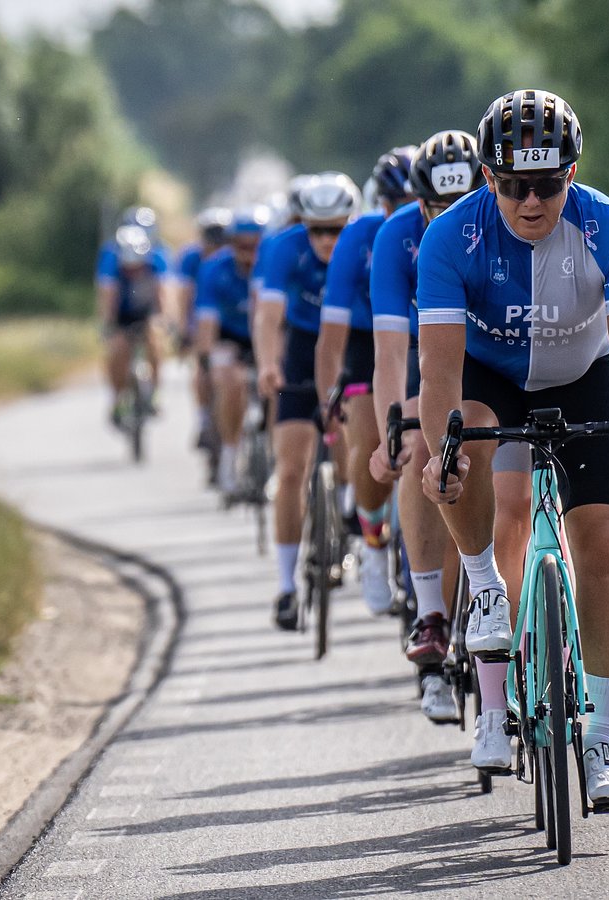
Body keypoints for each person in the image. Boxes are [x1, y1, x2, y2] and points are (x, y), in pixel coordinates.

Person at [417, 89, 609, 809]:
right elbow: (438, 372)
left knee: (604, 544)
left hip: (586, 378)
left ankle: (604, 739)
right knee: (461, 447)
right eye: (514, 185)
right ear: (487, 178)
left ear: (572, 173)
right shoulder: (451, 238)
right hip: (491, 380)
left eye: (548, 184)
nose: (531, 202)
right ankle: (485, 591)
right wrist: (440, 457)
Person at [368, 130, 481, 725]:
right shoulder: (397, 237)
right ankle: (432, 613)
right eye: (438, 208)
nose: (452, 218)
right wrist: (393, 429)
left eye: (463, 203)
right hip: (424, 353)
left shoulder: (504, 222)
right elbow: (390, 351)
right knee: (419, 444)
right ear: (418, 203)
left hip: (489, 352)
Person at [254, 172, 362, 630]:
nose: (326, 240)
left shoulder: (365, 243)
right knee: (291, 469)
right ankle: (285, 585)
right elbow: (268, 316)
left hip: (353, 346)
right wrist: (267, 363)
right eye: (316, 229)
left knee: (354, 443)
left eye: (335, 229)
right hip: (302, 347)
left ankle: (351, 510)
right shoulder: (285, 247)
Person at [316, 148, 418, 617]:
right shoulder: (358, 237)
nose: (405, 211)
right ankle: (374, 546)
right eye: (394, 203)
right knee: (372, 436)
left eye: (413, 200)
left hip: (429, 335)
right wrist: (328, 404)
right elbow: (331, 336)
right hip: (367, 337)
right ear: (381, 202)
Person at [193, 208, 268, 495]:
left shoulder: (272, 264)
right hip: (230, 336)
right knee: (230, 382)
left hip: (265, 335)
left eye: (254, 245)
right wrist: (206, 360)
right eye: (241, 245)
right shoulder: (214, 268)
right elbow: (206, 321)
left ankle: (275, 452)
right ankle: (229, 454)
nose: (248, 252)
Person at [96, 213, 171, 426]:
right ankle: (117, 398)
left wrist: (164, 320)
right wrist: (108, 325)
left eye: (137, 266)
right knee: (117, 350)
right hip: (122, 314)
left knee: (155, 342)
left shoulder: (157, 258)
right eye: (128, 267)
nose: (133, 271)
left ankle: (154, 393)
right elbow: (108, 296)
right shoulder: (111, 258)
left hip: (147, 312)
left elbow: (163, 294)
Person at [182, 208, 234, 463]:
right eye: (211, 240)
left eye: (221, 240)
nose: (215, 246)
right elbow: (183, 295)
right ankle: (204, 418)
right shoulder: (192, 259)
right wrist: (185, 329)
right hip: (204, 319)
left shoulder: (234, 260)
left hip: (232, 322)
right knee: (202, 368)